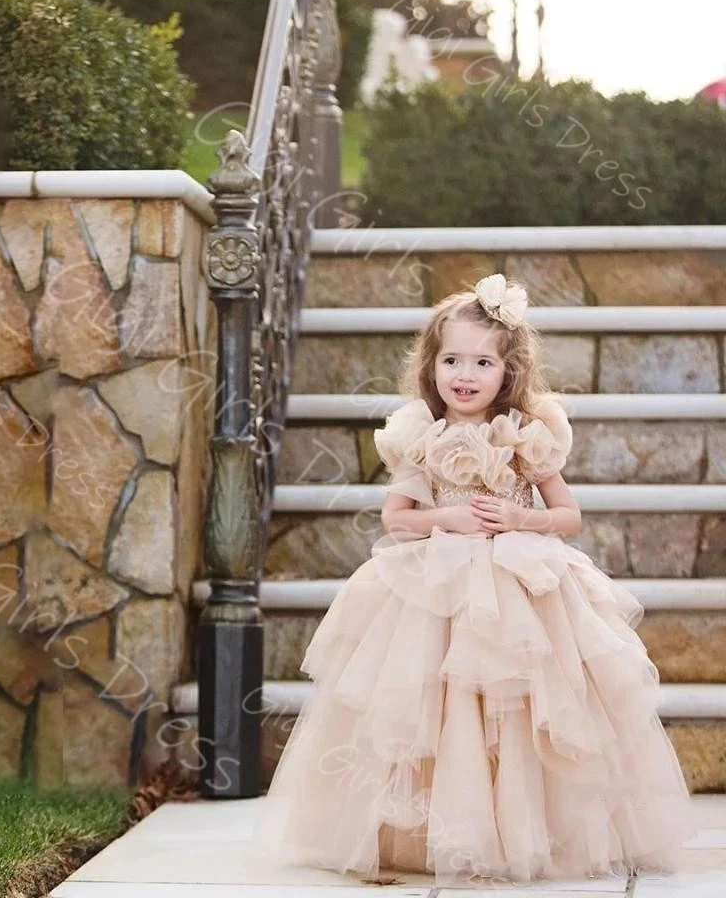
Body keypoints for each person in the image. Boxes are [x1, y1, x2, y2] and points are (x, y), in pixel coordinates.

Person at [249, 273, 698, 886]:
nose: (464, 373)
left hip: (520, 585)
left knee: (518, 708)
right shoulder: (419, 435)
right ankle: (430, 829)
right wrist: (449, 517)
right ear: (431, 365)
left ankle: (528, 825)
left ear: (507, 371)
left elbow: (568, 516)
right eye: (451, 359)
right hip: (436, 585)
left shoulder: (527, 436)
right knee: (442, 704)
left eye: (482, 361)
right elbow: (396, 519)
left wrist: (521, 517)